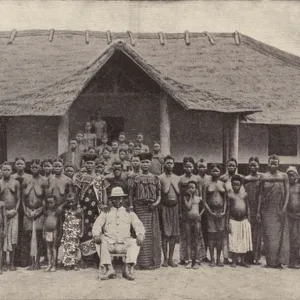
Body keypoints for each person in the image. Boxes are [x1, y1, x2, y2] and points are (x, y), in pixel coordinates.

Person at [93, 187, 145, 281]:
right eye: (115, 199)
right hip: (109, 243)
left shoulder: (129, 212)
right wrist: (96, 235)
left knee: (134, 242)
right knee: (100, 242)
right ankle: (110, 269)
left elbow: (138, 224)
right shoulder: (106, 212)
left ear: (123, 199)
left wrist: (140, 234)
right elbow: (97, 224)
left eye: (120, 198)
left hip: (124, 244)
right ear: (111, 200)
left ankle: (127, 268)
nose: (117, 201)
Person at [129, 152, 161, 270]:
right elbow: (131, 195)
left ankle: (151, 262)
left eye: (147, 162)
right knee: (138, 233)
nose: (145, 164)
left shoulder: (155, 178)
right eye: (143, 162)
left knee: (150, 235)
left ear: (151, 163)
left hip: (151, 209)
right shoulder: (135, 178)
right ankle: (139, 262)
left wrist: (156, 203)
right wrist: (132, 207)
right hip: (139, 209)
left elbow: (159, 195)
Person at [74, 153, 107, 268]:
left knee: (97, 231)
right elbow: (76, 193)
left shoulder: (100, 178)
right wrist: (77, 205)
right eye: (87, 163)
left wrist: (104, 205)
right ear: (84, 164)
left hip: (96, 210)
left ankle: (96, 259)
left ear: (95, 164)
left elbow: (104, 192)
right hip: (84, 209)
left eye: (91, 163)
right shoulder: (80, 177)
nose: (89, 165)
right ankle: (86, 259)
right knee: (84, 232)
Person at [257, 154, 290, 268]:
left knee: (279, 236)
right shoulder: (263, 176)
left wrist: (284, 207)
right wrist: (258, 211)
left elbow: (287, 193)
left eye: (275, 163)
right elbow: (260, 194)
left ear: (278, 163)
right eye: (271, 162)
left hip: (279, 209)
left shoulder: (284, 176)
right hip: (266, 210)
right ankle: (270, 262)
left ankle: (278, 262)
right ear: (268, 163)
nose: (273, 164)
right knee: (268, 236)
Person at [22, 159, 48, 270]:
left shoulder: (44, 180)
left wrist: (40, 211)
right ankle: (31, 262)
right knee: (28, 236)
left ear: (40, 168)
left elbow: (47, 199)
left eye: (36, 167)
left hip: (39, 212)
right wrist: (26, 210)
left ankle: (37, 262)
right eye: (32, 167)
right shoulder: (26, 180)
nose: (34, 169)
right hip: (28, 212)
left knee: (38, 237)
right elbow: (23, 198)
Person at [48, 158, 73, 265]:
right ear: (53, 167)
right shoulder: (49, 179)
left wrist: (62, 206)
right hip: (52, 211)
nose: (57, 168)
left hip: (64, 210)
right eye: (55, 166)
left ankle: (66, 259)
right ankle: (52, 260)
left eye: (59, 166)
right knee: (52, 234)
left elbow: (71, 196)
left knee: (64, 234)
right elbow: (47, 195)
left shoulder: (67, 180)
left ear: (62, 167)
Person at [220, 157, 243, 264]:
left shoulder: (239, 178)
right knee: (226, 233)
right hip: (226, 207)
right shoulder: (222, 178)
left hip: (235, 208)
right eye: (229, 165)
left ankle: (236, 258)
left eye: (233, 165)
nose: (231, 167)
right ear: (226, 166)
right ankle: (225, 257)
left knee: (235, 233)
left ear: (236, 167)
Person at [158, 155, 180, 268]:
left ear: (174, 165)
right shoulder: (160, 178)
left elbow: (179, 194)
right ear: (164, 164)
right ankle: (165, 259)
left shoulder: (177, 178)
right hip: (164, 208)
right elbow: (160, 194)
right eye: (167, 163)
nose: (169, 165)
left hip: (175, 208)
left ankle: (171, 259)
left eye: (171, 163)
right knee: (165, 234)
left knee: (173, 235)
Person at [227, 175, 252, 268]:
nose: (236, 186)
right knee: (234, 240)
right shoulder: (230, 195)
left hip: (243, 220)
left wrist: (248, 220)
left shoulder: (244, 195)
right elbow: (228, 209)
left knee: (243, 240)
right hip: (233, 220)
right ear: (232, 185)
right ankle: (234, 260)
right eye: (234, 185)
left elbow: (248, 207)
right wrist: (227, 223)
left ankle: (242, 260)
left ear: (241, 185)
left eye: (238, 184)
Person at [178, 157, 200, 265]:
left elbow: (199, 195)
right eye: (186, 166)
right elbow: (179, 196)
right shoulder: (180, 179)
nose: (189, 168)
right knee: (184, 234)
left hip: (195, 207)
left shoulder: (197, 178)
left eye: (191, 166)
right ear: (183, 167)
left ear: (193, 167)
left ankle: (197, 257)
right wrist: (180, 212)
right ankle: (184, 257)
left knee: (195, 235)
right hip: (184, 206)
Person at [204, 164, 227, 267]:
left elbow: (226, 200)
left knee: (220, 236)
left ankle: (218, 259)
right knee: (211, 236)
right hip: (210, 212)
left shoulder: (223, 184)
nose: (215, 173)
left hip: (220, 212)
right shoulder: (207, 184)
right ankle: (212, 258)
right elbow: (204, 200)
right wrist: (210, 212)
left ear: (220, 173)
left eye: (217, 171)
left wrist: (224, 211)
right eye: (213, 171)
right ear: (210, 172)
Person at [0, 162, 21, 271]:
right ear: (1, 170)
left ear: (11, 171)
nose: (6, 171)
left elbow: (18, 199)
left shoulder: (16, 183)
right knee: (2, 238)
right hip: (1, 214)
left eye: (8, 169)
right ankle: (3, 263)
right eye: (4, 169)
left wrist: (15, 211)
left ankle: (12, 263)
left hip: (13, 213)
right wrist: (3, 213)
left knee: (13, 238)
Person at [11, 157, 32, 267]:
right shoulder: (11, 177)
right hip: (15, 207)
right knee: (16, 233)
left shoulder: (29, 177)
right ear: (15, 165)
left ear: (25, 165)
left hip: (25, 206)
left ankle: (25, 259)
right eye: (17, 164)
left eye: (21, 163)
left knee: (26, 232)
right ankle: (14, 260)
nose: (19, 165)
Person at [244, 157, 262, 265]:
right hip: (248, 207)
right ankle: (248, 257)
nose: (253, 167)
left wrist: (259, 211)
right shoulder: (245, 179)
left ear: (258, 165)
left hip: (258, 208)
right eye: (251, 165)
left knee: (257, 235)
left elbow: (261, 195)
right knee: (248, 233)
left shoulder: (261, 177)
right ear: (248, 166)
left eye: (255, 165)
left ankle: (256, 258)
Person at [183, 181, 206, 269]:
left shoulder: (199, 198)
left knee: (197, 240)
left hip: (197, 221)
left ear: (196, 189)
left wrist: (200, 214)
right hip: (188, 221)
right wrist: (190, 196)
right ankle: (189, 260)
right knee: (188, 240)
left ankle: (196, 260)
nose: (191, 189)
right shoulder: (185, 198)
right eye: (189, 187)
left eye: (193, 187)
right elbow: (188, 207)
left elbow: (204, 207)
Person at [60, 193, 84, 271]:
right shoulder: (66, 210)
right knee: (67, 248)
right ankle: (67, 264)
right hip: (67, 232)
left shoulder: (79, 210)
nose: (71, 203)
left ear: (76, 201)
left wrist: (82, 231)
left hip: (75, 232)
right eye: (69, 202)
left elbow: (82, 221)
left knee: (75, 247)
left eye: (72, 201)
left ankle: (75, 264)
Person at [196, 158, 211, 262]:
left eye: (204, 166)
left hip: (208, 207)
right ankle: (197, 255)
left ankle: (205, 254)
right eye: (200, 166)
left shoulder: (209, 178)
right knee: (197, 231)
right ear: (197, 167)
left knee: (206, 232)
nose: (202, 168)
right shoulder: (195, 178)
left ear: (207, 167)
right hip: (197, 207)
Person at [286, 166, 300, 269]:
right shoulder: (285, 187)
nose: (291, 177)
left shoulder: (299, 187)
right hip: (288, 216)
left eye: (293, 175)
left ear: (296, 176)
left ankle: (296, 261)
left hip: (298, 216)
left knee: (296, 239)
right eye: (289, 175)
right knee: (290, 239)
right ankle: (290, 261)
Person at [43, 195, 59, 272]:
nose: (49, 204)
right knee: (48, 248)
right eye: (48, 203)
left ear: (55, 202)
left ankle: (54, 265)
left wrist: (58, 233)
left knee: (54, 248)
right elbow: (44, 222)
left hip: (54, 231)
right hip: (47, 231)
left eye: (51, 202)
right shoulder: (46, 211)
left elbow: (59, 223)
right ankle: (49, 264)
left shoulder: (57, 211)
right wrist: (43, 232)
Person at [0, 197, 7, 275]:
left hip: (0, 227)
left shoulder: (2, 203)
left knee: (0, 248)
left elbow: (4, 216)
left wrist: (5, 229)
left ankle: (0, 267)